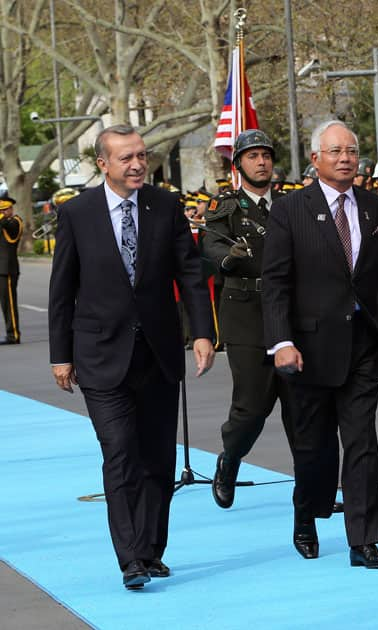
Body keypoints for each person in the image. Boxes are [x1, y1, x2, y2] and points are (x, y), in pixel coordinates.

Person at [48, 124, 216, 590]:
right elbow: (62, 290)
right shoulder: (77, 213)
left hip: (158, 353)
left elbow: (189, 272)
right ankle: (130, 561)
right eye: (126, 158)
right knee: (120, 455)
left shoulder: (165, 206)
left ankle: (150, 549)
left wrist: (202, 333)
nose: (138, 164)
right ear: (104, 164)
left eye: (141, 155)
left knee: (158, 460)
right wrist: (60, 355)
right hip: (100, 356)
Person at [262, 119, 378, 567]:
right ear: (315, 160)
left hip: (363, 347)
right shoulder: (290, 210)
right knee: (313, 448)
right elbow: (275, 284)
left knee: (362, 442)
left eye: (351, 151)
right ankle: (306, 514)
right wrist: (282, 342)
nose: (346, 159)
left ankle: (364, 540)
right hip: (307, 352)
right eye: (335, 152)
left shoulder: (373, 209)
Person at [201, 129, 300, 510]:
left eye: (266, 155)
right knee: (252, 407)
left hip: (292, 314)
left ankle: (312, 486)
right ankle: (230, 460)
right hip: (246, 311)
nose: (262, 162)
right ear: (238, 164)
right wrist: (229, 257)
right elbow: (210, 245)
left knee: (303, 408)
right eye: (253, 156)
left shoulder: (292, 203)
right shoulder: (226, 205)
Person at [0, 192, 23, 344]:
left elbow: (9, 226)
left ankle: (13, 334)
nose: (2, 213)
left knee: (9, 304)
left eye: (3, 210)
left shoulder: (15, 221)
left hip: (7, 269)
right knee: (4, 303)